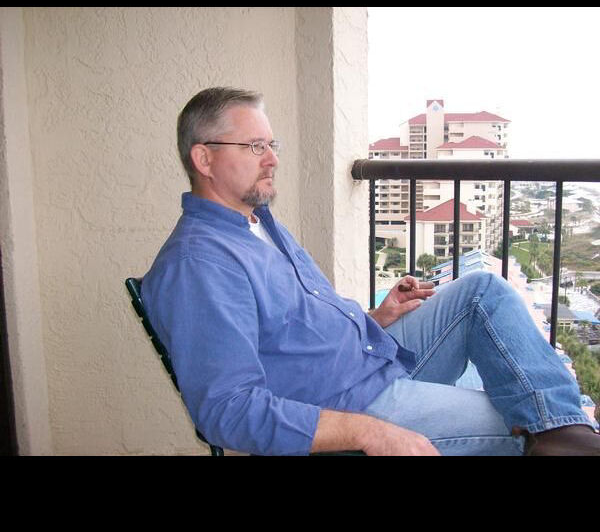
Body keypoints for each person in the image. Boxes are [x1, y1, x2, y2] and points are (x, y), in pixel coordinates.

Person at [141, 86, 600, 456]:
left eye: (271, 145)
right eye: (255, 146)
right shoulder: (199, 266)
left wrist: (375, 318)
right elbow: (226, 411)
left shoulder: (256, 222)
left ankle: (567, 432)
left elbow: (289, 331)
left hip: (368, 361)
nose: (273, 159)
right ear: (204, 159)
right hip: (348, 407)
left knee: (483, 292)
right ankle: (562, 435)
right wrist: (368, 431)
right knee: (519, 421)